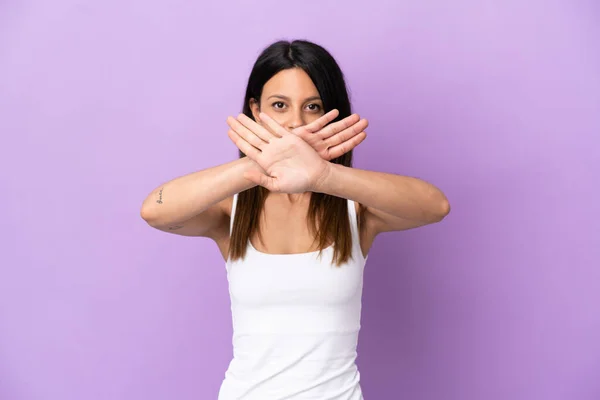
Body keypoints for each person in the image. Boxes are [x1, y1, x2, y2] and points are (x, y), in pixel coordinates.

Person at [140, 39, 450, 400]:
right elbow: (155, 210)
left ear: (330, 114)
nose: (295, 123)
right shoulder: (231, 211)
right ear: (256, 111)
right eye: (279, 106)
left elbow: (435, 206)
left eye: (312, 107)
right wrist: (256, 165)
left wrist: (323, 177)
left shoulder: (356, 209)